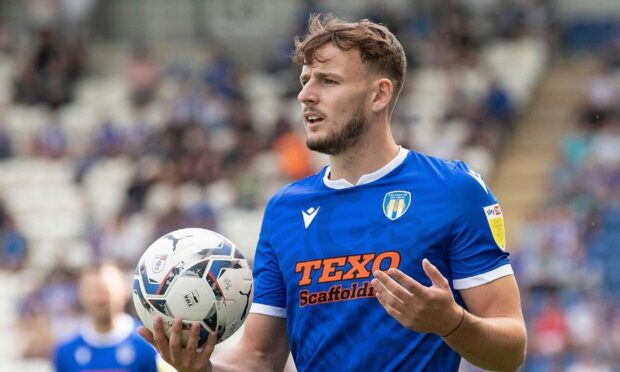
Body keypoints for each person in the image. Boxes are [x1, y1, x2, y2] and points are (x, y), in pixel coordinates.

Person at [139, 14, 527, 371]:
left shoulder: (453, 190)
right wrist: (202, 369)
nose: (306, 95)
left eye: (328, 81)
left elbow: (511, 350)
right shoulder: (284, 210)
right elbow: (259, 355)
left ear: (379, 95)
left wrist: (451, 324)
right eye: (305, 80)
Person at [53, 263, 160, 371]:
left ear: (124, 292)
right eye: (91, 291)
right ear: (80, 295)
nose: (98, 298)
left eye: (105, 290)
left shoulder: (148, 343)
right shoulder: (65, 351)